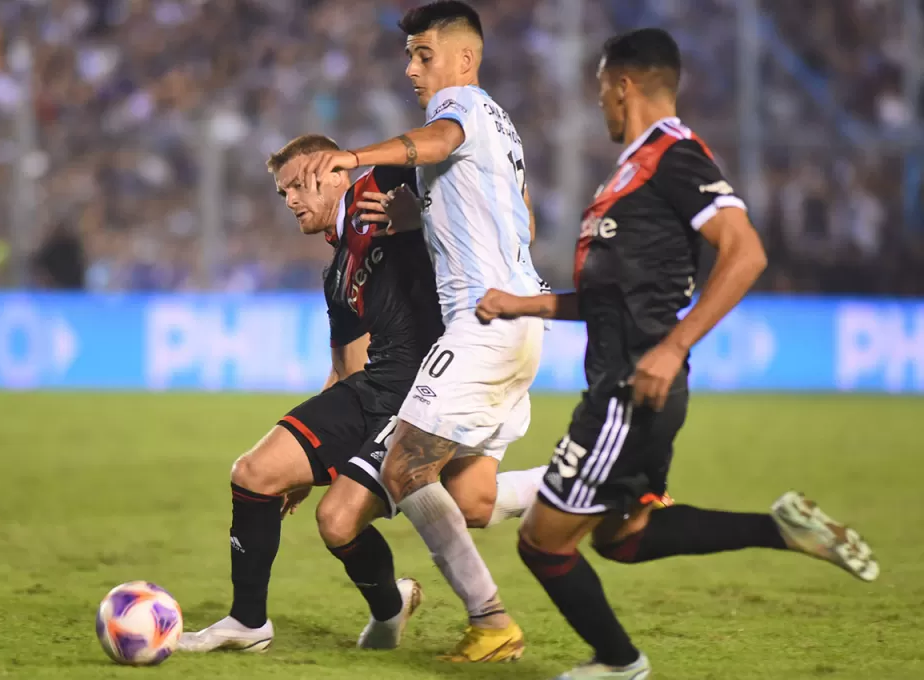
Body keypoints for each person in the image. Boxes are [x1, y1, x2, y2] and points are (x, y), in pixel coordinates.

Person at [475, 28, 879, 679]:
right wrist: (526, 305)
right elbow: (612, 298)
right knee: (621, 539)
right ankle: (779, 529)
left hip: (631, 390)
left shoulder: (673, 155)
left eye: (602, 89)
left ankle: (619, 662)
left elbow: (745, 252)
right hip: (634, 383)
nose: (599, 102)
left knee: (543, 541)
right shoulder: (631, 170)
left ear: (621, 85)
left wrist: (673, 346)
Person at [179, 133, 546, 654]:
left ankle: (485, 615)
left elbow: (463, 169)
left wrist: (416, 207)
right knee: (275, 483)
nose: (289, 201)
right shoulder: (338, 275)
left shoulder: (375, 189)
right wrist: (308, 464)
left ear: (335, 173)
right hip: (378, 387)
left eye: (298, 185)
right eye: (282, 193)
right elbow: (345, 367)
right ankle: (286, 619)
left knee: (296, 497)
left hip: (433, 383)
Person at [298, 1, 545, 661]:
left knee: (407, 466)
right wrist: (420, 217)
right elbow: (521, 213)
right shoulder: (502, 128)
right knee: (469, 495)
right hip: (521, 321)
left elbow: (436, 143)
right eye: (408, 55)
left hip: (482, 324)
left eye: (424, 54)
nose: (412, 68)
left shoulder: (459, 106)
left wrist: (350, 156)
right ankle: (593, 484)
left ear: (464, 59)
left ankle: (492, 622)